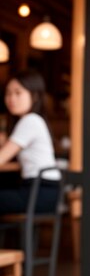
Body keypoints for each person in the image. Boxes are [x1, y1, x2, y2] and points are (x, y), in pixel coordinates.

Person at [0, 70, 60, 214]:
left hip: (39, 192)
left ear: (34, 96)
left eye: (18, 93)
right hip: (43, 191)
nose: (11, 98)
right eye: (8, 93)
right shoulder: (32, 120)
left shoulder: (30, 120)